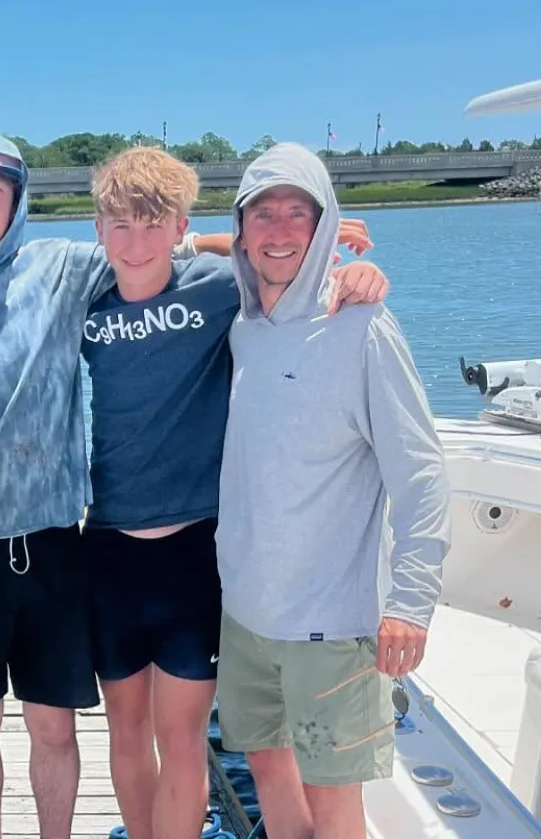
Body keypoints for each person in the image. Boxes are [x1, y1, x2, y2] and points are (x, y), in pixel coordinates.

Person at [0, 140, 386, 839]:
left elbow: (236, 259)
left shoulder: (163, 281)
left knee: (149, 738)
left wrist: (336, 269)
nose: (135, 240)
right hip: (65, 548)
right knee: (78, 735)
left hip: (145, 548)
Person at [80, 147, 385, 839]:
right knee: (126, 735)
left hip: (193, 551)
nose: (135, 240)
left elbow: (279, 264)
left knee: (182, 737)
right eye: (119, 225)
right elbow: (9, 295)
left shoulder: (217, 288)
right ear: (99, 230)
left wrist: (350, 266)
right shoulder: (83, 297)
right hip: (105, 548)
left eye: (154, 224)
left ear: (180, 225)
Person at [215, 142, 449, 839]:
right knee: (265, 766)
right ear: (243, 229)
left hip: (334, 624)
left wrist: (410, 601)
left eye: (299, 214)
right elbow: (147, 252)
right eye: (264, 213)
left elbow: (423, 470)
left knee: (336, 804)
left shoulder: (363, 326)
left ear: (326, 226)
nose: (280, 231)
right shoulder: (244, 324)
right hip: (248, 614)